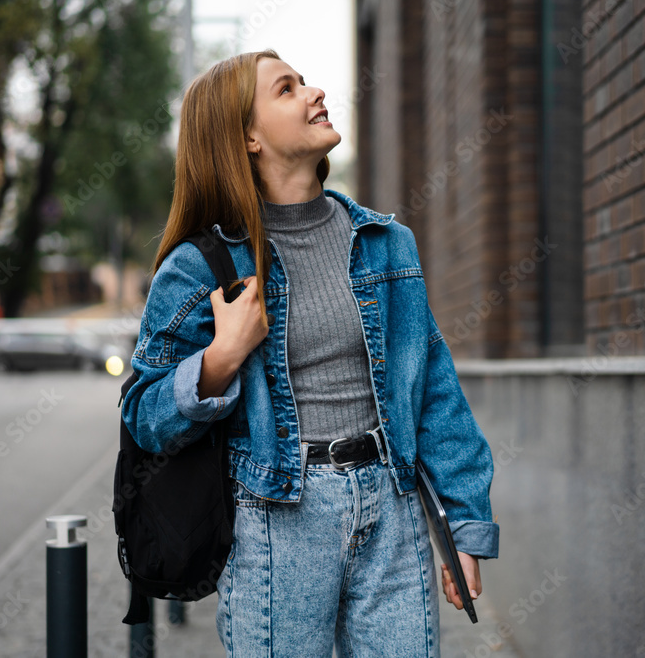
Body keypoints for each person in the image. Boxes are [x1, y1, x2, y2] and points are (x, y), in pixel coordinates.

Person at [121, 49, 499, 657]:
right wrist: (222, 357)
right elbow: (142, 412)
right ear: (246, 137)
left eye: (304, 82)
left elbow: (433, 388)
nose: (313, 92)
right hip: (278, 518)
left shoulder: (385, 244)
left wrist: (464, 520)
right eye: (286, 89)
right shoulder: (202, 268)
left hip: (393, 509)